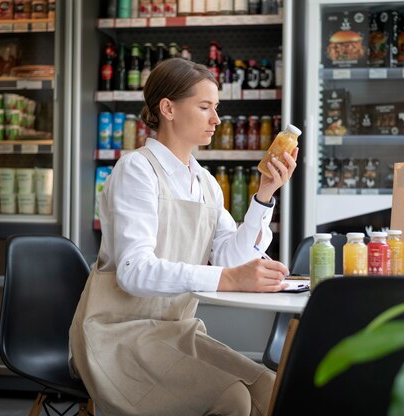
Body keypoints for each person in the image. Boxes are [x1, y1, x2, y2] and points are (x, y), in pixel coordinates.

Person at [69, 57, 298, 416]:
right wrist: (228, 279)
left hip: (176, 330)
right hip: (118, 336)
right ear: (168, 108)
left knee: (270, 389)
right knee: (231, 399)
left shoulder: (205, 182)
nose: (216, 119)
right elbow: (133, 270)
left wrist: (265, 194)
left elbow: (230, 258)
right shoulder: (137, 169)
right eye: (205, 106)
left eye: (216, 108)